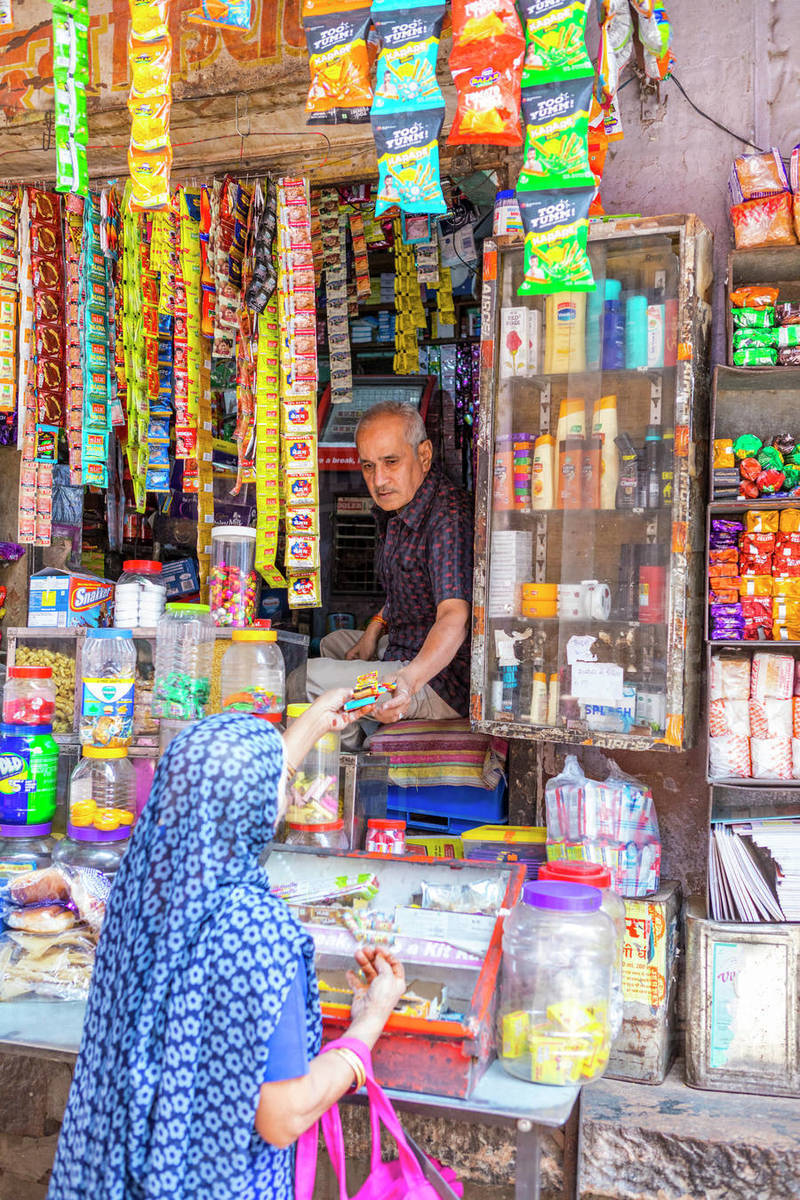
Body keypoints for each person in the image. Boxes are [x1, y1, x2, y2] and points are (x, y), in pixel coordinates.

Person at [47, 694, 406, 1200]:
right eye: (281, 781)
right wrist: (367, 1026)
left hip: (104, 1177)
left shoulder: (138, 892)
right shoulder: (255, 928)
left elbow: (226, 781)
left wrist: (318, 718)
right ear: (259, 809)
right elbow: (282, 1118)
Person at [305, 400, 473, 735]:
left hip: (438, 678)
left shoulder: (447, 519)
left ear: (423, 455)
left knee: (305, 677)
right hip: (405, 645)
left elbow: (455, 617)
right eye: (368, 466)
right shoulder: (401, 505)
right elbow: (407, 585)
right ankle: (363, 724)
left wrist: (407, 682)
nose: (379, 480)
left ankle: (357, 757)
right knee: (334, 643)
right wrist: (372, 633)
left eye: (391, 462)